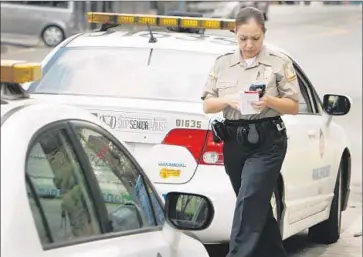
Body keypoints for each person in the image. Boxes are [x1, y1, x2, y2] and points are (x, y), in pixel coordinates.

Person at [201, 7, 300, 257]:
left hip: (268, 141)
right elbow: (207, 104)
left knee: (248, 202)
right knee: (256, 206)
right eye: (243, 38)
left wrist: (269, 100)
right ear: (235, 34)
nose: (249, 45)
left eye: (255, 38)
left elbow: (294, 106)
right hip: (234, 141)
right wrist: (229, 99)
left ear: (264, 34)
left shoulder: (278, 63)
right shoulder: (222, 63)